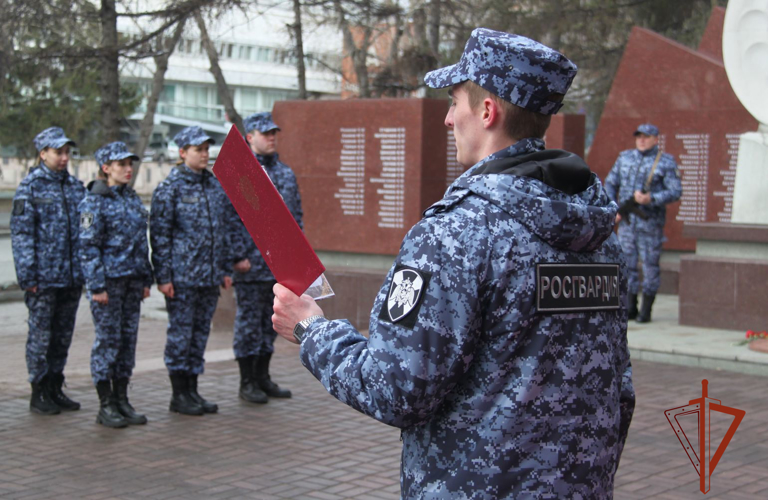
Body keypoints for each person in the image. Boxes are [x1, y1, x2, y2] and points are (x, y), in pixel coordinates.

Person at [272, 28, 635, 498]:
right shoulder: (599, 234)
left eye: (454, 101)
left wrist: (312, 330)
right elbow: (618, 386)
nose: (447, 119)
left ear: (487, 111)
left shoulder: (457, 233)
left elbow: (397, 389)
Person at [150, 126, 232, 416]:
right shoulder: (169, 188)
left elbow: (222, 230)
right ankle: (178, 394)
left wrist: (224, 267)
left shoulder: (213, 186)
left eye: (207, 149)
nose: (204, 154)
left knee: (199, 335)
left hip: (208, 276)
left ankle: (193, 390)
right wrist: (164, 277)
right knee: (180, 336)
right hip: (182, 278)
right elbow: (159, 236)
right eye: (198, 149)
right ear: (183, 152)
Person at [11, 127, 86, 415]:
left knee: (62, 336)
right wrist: (28, 276)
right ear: (43, 154)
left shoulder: (75, 187)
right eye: (58, 152)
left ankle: (55, 386)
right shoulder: (30, 188)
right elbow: (21, 236)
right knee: (40, 337)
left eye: (67, 152)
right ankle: (38, 391)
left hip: (70, 277)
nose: (64, 157)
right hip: (43, 279)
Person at [227, 112, 301, 403]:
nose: (271, 137)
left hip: (278, 266)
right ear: (250, 137)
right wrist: (237, 255)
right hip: (250, 264)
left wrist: (297, 257)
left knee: (270, 323)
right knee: (249, 324)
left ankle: (263, 376)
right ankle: (247, 382)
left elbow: (296, 217)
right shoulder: (241, 173)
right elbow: (230, 218)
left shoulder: (284, 172)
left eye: (274, 133)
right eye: (265, 133)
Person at [79, 142, 153, 428]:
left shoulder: (131, 199)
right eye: (121, 164)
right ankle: (105, 403)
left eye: (129, 164)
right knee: (107, 343)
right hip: (108, 285)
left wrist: (146, 278)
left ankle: (122, 399)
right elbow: (88, 247)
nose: (127, 169)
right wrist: (97, 286)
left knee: (127, 342)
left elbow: (140, 245)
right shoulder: (94, 201)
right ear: (105, 168)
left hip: (132, 283)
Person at [605, 123, 682, 323]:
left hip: (650, 224)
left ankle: (646, 310)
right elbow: (610, 183)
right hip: (628, 223)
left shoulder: (665, 162)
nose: (641, 139)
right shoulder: (625, 158)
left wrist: (652, 199)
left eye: (646, 136)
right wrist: (614, 208)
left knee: (649, 266)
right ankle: (629, 307)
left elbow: (675, 191)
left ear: (656, 139)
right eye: (639, 136)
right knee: (626, 264)